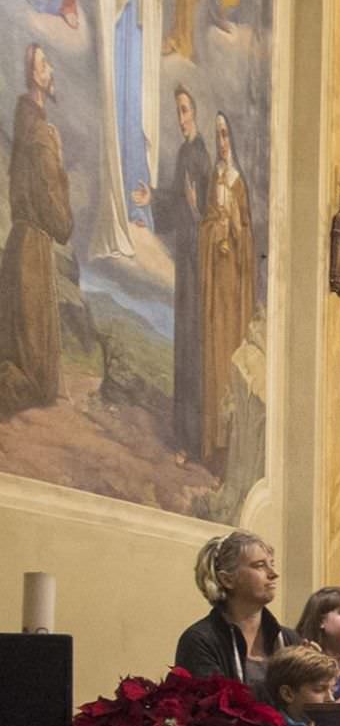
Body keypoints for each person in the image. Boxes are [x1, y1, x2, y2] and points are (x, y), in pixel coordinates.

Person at [134, 84, 209, 459]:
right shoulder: (184, 153)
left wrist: (196, 210)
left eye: (184, 110)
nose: (181, 118)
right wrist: (154, 198)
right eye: (177, 111)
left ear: (194, 111)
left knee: (195, 345)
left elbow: (205, 211)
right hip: (186, 257)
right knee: (183, 341)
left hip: (200, 263)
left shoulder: (202, 156)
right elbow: (180, 200)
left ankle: (194, 441)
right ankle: (182, 435)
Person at [0, 44, 73, 418]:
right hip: (32, 251)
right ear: (35, 75)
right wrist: (58, 159)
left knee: (16, 350)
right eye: (46, 64)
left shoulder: (21, 117)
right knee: (37, 380)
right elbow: (59, 222)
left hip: (17, 244)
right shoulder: (42, 133)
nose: (51, 70)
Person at [174, 531, 298, 696]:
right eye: (260, 565)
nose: (274, 574)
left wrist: (316, 672)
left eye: (272, 564)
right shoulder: (200, 641)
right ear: (227, 580)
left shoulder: (290, 639)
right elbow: (213, 712)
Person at [198, 112, 254, 471]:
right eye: (216, 135)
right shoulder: (213, 179)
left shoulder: (236, 184)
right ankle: (210, 443)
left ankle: (228, 446)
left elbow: (247, 240)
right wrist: (212, 230)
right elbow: (204, 225)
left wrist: (232, 228)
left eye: (224, 134)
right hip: (214, 289)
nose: (220, 143)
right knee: (212, 361)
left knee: (228, 362)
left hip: (232, 292)